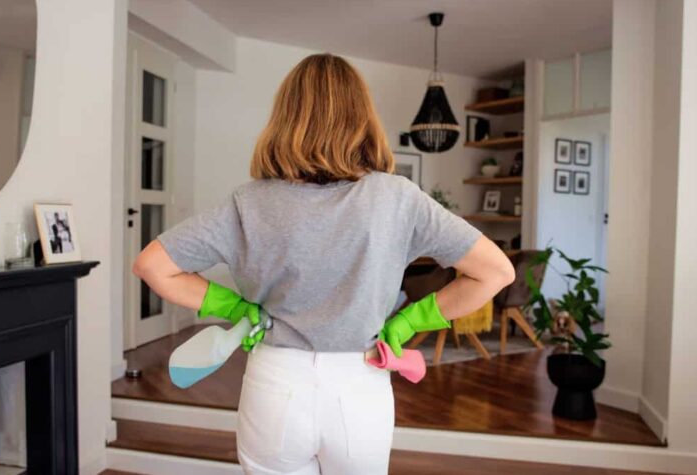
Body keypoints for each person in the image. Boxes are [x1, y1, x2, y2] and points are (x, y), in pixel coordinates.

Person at [133, 53, 515, 475]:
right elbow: (496, 271)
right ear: (362, 118)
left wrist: (236, 309)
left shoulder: (249, 201)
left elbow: (152, 265)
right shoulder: (397, 198)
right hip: (361, 383)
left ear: (285, 116)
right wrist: (408, 323)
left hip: (276, 381)